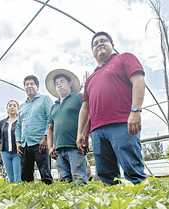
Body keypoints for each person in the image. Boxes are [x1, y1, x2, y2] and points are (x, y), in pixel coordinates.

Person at [77, 31, 147, 185]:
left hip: (122, 124)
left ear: (112, 45)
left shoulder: (124, 58)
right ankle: (114, 203)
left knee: (132, 169)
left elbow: (138, 80)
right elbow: (85, 107)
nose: (99, 44)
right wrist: (81, 133)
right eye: (95, 43)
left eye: (103, 41)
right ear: (92, 52)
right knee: (106, 175)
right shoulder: (90, 79)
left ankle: (143, 200)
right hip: (97, 131)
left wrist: (135, 111)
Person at [45, 69, 88, 184]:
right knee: (65, 180)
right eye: (56, 83)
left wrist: (84, 135)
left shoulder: (78, 97)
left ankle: (83, 200)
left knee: (79, 179)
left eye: (62, 81)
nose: (59, 84)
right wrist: (50, 147)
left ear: (69, 83)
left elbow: (87, 116)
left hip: (75, 146)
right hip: (58, 149)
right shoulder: (54, 106)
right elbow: (50, 128)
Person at [16, 75, 53, 184]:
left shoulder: (45, 99)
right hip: (25, 145)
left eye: (31, 84)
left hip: (40, 142)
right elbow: (18, 125)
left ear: (37, 86)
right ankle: (29, 198)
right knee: (26, 177)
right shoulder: (22, 106)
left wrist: (46, 137)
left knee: (45, 174)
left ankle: (49, 196)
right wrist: (18, 142)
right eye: (26, 84)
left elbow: (50, 118)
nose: (29, 86)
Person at [0, 100, 21, 183]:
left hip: (17, 152)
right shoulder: (2, 122)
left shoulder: (20, 121)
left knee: (17, 178)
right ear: (7, 109)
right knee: (10, 178)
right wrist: (3, 146)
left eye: (14, 105)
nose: (12, 107)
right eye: (10, 105)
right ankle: (12, 195)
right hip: (5, 152)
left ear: (18, 108)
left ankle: (20, 194)